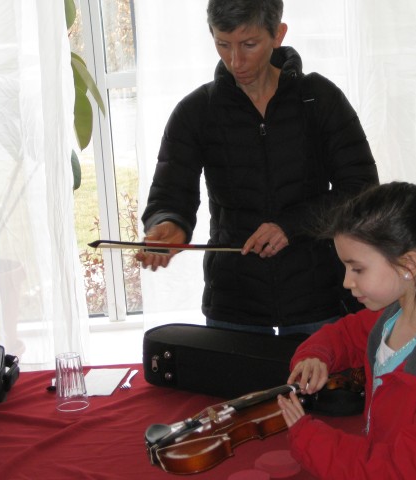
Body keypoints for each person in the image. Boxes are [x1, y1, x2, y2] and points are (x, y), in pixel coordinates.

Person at [136, 0, 378, 335]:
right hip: (234, 302)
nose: (235, 61)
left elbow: (362, 189)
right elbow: (170, 194)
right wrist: (168, 224)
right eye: (223, 44)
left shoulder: (319, 98)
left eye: (249, 44)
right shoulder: (197, 111)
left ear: (278, 34)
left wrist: (291, 226)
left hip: (318, 297)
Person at [278, 182, 416, 478]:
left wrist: (310, 440)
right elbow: (344, 335)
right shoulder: (391, 317)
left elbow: (405, 471)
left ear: (408, 265)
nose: (347, 282)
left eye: (357, 269)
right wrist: (316, 356)